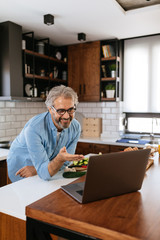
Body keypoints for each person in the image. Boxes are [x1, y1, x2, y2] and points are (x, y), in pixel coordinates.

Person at [7, 85, 84, 182]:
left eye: (70, 110)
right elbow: (46, 173)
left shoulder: (75, 127)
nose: (66, 116)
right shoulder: (34, 129)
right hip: (22, 169)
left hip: (44, 169)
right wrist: (50, 165)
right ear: (50, 109)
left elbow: (66, 162)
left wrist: (38, 169)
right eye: (60, 111)